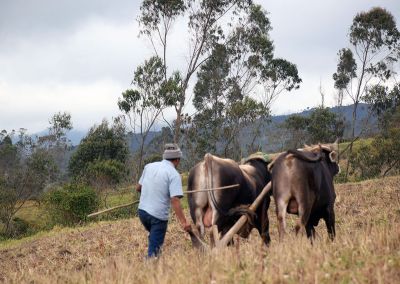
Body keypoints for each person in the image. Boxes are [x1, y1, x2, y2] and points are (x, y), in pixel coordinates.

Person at [136, 143, 191, 258]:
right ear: (177, 160)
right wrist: (184, 222)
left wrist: (151, 193)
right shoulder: (174, 174)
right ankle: (150, 267)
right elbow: (175, 200)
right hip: (157, 217)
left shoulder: (149, 166)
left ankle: (153, 242)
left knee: (154, 237)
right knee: (154, 253)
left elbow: (138, 188)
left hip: (142, 212)